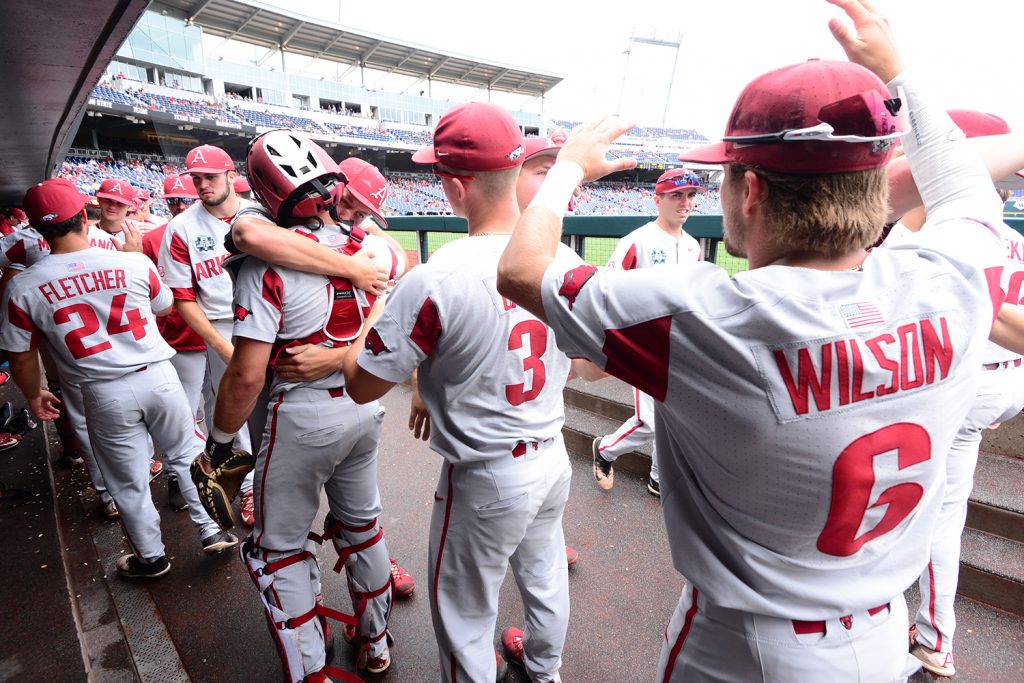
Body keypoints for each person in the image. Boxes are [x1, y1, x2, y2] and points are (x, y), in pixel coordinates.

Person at [495, 1, 1006, 680]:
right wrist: (897, 74)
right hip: (886, 640)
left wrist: (568, 169)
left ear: (753, 189)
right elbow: (966, 180)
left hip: (747, 650)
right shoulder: (957, 282)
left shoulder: (709, 317)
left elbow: (522, 267)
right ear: (872, 188)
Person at [343, 102, 577, 683]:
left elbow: (361, 385)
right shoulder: (561, 258)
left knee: (465, 612)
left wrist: (376, 305)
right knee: (545, 576)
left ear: (454, 185)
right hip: (552, 455)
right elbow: (593, 367)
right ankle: (545, 672)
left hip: (487, 475)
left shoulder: (436, 274)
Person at [204, 131, 402, 680]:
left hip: (302, 416)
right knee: (363, 527)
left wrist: (219, 443)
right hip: (365, 408)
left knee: (278, 549)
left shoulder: (262, 261)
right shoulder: (373, 249)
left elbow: (246, 377)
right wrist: (343, 352)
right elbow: (385, 309)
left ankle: (312, 671)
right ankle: (376, 643)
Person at [0, 178, 237, 579]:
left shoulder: (24, 285)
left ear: (37, 230)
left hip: (103, 390)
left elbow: (20, 355)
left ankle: (151, 557)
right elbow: (164, 309)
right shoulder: (133, 261)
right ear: (83, 217)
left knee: (128, 481)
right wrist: (132, 258)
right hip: (159, 376)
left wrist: (33, 393)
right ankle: (211, 529)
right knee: (186, 456)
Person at [882, 109, 1024, 679]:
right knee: (945, 510)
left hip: (955, 385)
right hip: (1003, 379)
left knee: (919, 514)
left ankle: (923, 633)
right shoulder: (1010, 236)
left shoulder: (934, 234)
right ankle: (933, 635)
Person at [158, 144, 258, 525]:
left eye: (210, 177)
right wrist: (222, 347)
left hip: (270, 321)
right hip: (222, 326)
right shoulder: (181, 227)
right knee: (235, 410)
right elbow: (183, 299)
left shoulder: (260, 213)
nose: (201, 185)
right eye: (195, 178)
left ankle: (275, 482)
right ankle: (248, 492)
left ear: (231, 176)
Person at [592, 167, 705, 497]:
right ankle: (605, 450)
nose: (685, 202)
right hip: (643, 344)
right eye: (676, 195)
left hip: (679, 344)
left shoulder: (693, 246)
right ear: (658, 200)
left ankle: (657, 476)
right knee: (651, 421)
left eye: (691, 196)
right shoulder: (637, 241)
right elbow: (606, 291)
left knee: (673, 417)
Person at [143, 173, 206, 511]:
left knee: (224, 408)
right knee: (183, 413)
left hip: (222, 333)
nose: (180, 206)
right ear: (165, 203)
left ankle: (226, 475)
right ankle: (176, 477)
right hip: (180, 336)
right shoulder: (152, 238)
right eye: (174, 201)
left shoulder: (219, 228)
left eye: (185, 199)